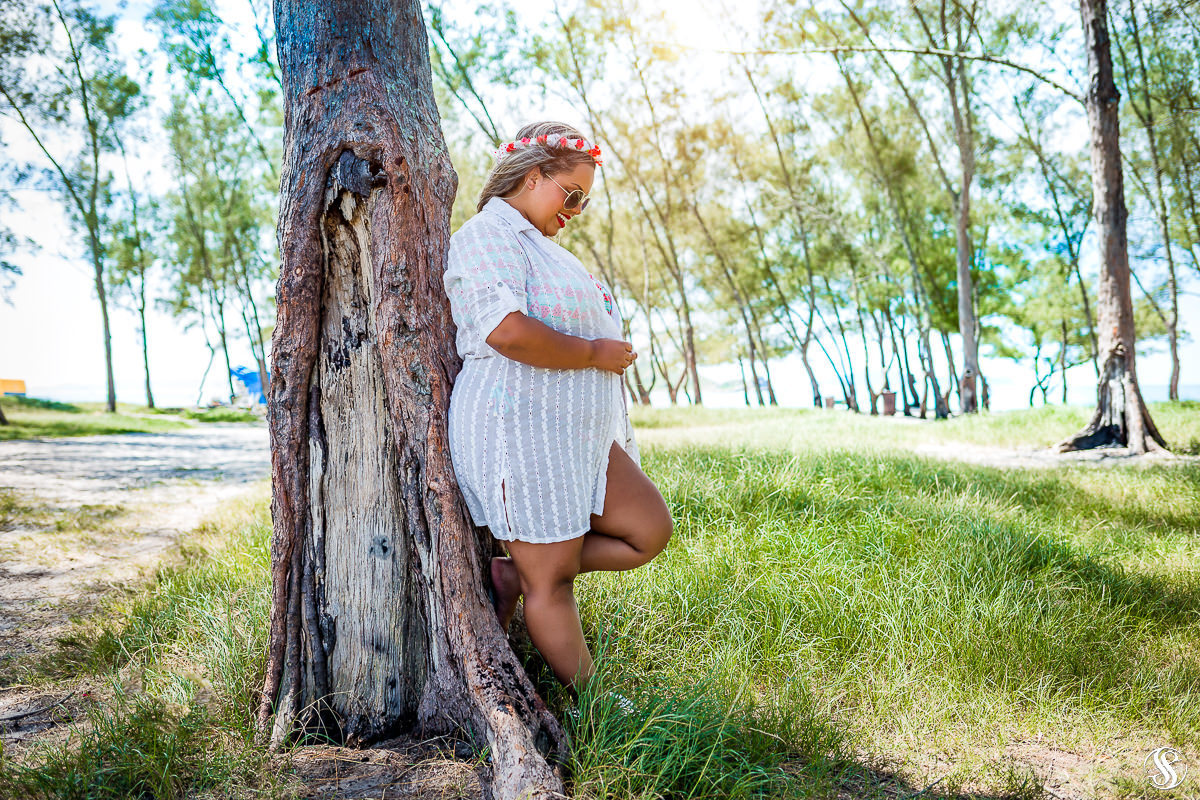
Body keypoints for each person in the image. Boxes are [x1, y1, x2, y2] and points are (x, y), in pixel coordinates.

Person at [443, 121, 673, 697]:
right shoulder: (486, 234)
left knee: (648, 530)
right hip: (520, 430)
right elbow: (505, 330)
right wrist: (595, 352)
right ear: (533, 174)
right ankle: (599, 707)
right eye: (571, 194)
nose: (577, 208)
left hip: (578, 438)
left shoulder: (542, 247)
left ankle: (519, 569)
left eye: (585, 200)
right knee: (554, 585)